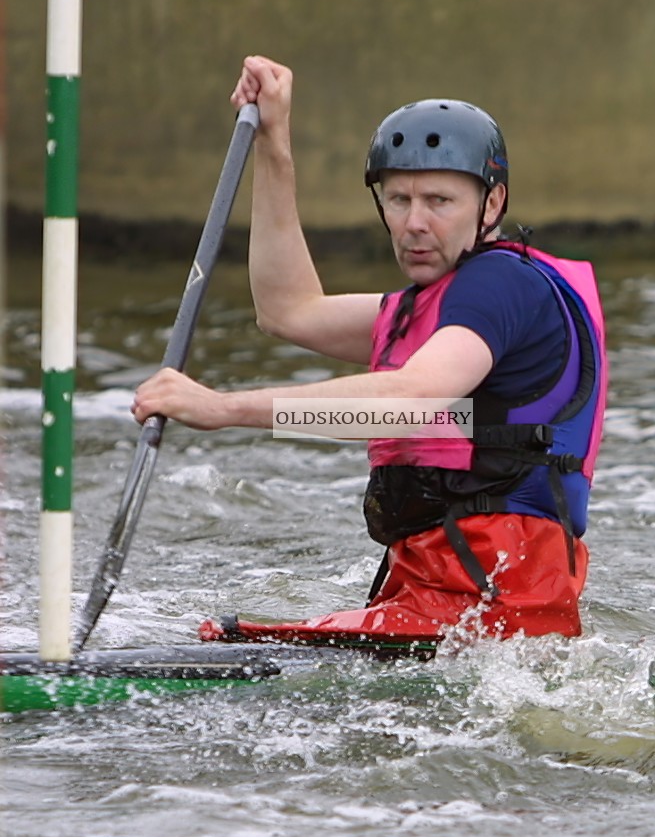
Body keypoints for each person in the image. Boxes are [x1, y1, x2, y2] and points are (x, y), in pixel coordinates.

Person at [132, 55, 607, 651]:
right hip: (439, 594)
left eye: (439, 201)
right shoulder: (426, 307)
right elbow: (288, 309)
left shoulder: (502, 287)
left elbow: (407, 402)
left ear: (491, 205)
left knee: (230, 643)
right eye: (397, 199)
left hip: (494, 605)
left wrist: (224, 409)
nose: (413, 223)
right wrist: (275, 144)